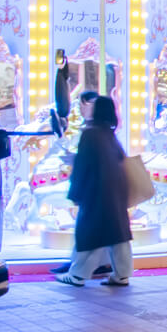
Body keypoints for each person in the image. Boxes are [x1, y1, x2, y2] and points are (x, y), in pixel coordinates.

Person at [56, 96, 132, 287]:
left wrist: (75, 193)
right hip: (115, 191)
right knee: (118, 234)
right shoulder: (109, 133)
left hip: (96, 192)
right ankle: (122, 274)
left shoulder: (90, 133)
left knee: (91, 234)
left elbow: (83, 165)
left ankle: (77, 274)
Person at [50, 90, 112, 277]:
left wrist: (75, 162)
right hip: (96, 186)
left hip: (96, 188)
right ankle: (81, 265)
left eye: (86, 105)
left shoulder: (95, 132)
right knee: (91, 229)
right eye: (82, 105)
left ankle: (79, 271)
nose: (83, 109)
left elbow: (94, 160)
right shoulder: (95, 130)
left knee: (90, 229)